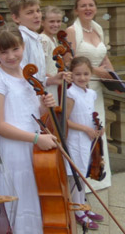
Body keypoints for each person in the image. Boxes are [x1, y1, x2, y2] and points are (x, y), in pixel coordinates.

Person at [0, 24, 58, 233]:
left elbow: (33, 112)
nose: (11, 56)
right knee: (19, 201)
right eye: (3, 52)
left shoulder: (28, 75)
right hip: (13, 150)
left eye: (15, 49)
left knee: (34, 196)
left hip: (32, 147)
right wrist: (35, 139)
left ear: (23, 46)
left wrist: (45, 104)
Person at [65, 0, 113, 191]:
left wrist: (111, 74)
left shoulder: (98, 28)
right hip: (81, 85)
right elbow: (69, 61)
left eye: (91, 5)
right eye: (83, 6)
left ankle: (97, 173)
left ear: (95, 8)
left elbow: (104, 57)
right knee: (83, 130)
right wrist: (94, 71)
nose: (87, 8)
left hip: (97, 89)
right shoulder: (71, 31)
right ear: (76, 10)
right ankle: (82, 178)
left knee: (98, 127)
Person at [65, 56, 104, 230]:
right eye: (78, 74)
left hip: (87, 140)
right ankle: (78, 211)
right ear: (71, 75)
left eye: (86, 74)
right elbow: (65, 120)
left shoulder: (91, 93)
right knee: (76, 177)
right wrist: (85, 129)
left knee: (83, 173)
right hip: (75, 140)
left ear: (91, 74)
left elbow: (91, 115)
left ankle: (83, 207)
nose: (82, 78)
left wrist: (97, 128)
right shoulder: (71, 93)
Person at [9, 0, 66, 87]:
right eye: (30, 12)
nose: (37, 16)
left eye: (38, 11)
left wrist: (51, 80)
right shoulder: (22, 38)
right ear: (16, 18)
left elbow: (38, 77)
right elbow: (22, 75)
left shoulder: (35, 38)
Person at [39, 6, 64, 99]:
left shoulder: (53, 39)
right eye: (52, 21)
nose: (56, 24)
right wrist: (51, 79)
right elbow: (41, 65)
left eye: (58, 21)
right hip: (48, 83)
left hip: (53, 82)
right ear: (42, 22)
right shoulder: (43, 39)